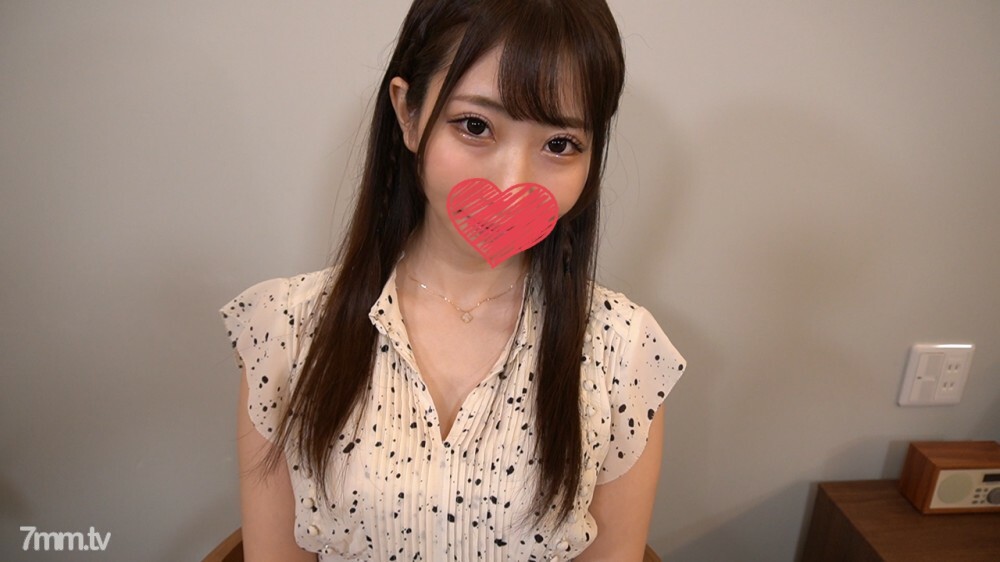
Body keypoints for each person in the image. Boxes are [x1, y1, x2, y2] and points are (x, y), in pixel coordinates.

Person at [219, 0, 686, 560]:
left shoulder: (624, 352)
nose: (512, 183)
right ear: (408, 113)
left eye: (559, 144)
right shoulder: (286, 330)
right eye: (475, 126)